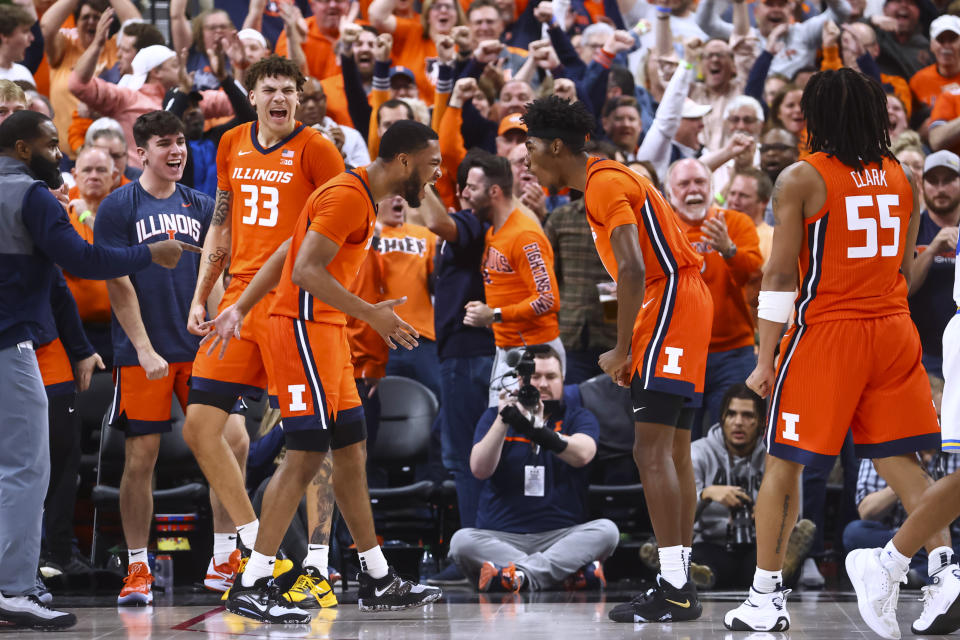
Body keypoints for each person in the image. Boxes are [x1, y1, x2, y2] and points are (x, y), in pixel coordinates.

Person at [723, 68, 948, 634]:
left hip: (830, 334)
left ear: (817, 118)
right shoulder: (901, 176)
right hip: (894, 329)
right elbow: (902, 267)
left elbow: (777, 277)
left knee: (786, 464)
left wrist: (765, 358)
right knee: (903, 462)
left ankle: (765, 596)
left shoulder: (801, 177)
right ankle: (944, 572)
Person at [201, 120, 445, 622]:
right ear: (404, 161)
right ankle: (253, 580)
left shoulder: (353, 191)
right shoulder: (348, 196)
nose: (436, 174)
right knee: (306, 458)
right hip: (303, 332)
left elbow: (286, 251)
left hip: (329, 337)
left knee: (352, 454)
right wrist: (371, 313)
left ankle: (375, 575)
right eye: (433, 164)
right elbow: (305, 270)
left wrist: (239, 306)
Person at [523, 95, 713, 623]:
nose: (529, 158)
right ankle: (678, 581)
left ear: (557, 146)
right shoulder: (606, 179)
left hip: (668, 298)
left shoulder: (605, 182)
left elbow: (630, 269)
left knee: (651, 451)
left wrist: (624, 347)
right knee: (674, 450)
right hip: (683, 299)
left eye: (532, 147)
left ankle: (674, 583)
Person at [0, 109, 184, 630]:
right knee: (26, 470)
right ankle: (14, 588)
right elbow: (82, 260)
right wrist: (151, 253)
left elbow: (57, 277)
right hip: (11, 344)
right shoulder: (30, 195)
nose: (60, 155)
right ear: (20, 148)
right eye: (51, 145)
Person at [183, 54, 345, 605]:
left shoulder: (317, 150)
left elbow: (335, 225)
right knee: (200, 426)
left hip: (294, 304)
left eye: (289, 90)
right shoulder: (231, 144)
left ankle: (319, 565)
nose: (280, 98)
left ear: (300, 98)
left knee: (311, 438)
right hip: (236, 300)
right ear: (251, 95)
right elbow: (221, 222)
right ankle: (262, 552)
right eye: (270, 89)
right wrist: (201, 292)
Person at [92, 110, 215, 605]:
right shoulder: (118, 207)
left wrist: (218, 323)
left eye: (181, 142)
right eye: (165, 143)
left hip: (200, 346)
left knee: (228, 447)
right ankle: (138, 567)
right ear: (141, 152)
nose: (177, 151)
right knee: (141, 458)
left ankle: (228, 559)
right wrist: (143, 349)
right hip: (144, 350)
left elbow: (217, 271)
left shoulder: (202, 204)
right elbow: (117, 284)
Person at [448, 347, 619, 591]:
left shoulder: (578, 416)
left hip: (562, 537)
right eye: (536, 377)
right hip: (502, 537)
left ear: (563, 380)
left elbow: (583, 454)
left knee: (607, 531)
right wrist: (503, 420)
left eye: (551, 377)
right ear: (521, 380)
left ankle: (517, 576)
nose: (543, 384)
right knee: (461, 541)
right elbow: (479, 469)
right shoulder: (493, 417)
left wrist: (537, 430)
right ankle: (562, 573)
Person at [666, 158, 762, 436]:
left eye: (699, 182)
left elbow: (754, 274)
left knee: (735, 438)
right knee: (682, 440)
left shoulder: (735, 223)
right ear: (669, 191)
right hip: (679, 355)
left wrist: (729, 250)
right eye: (684, 184)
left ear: (711, 187)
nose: (692, 190)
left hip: (733, 352)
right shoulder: (662, 227)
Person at [459, 152, 563, 407]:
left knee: (526, 434)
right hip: (508, 347)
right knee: (503, 432)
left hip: (537, 352)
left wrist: (493, 314)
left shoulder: (525, 236)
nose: (464, 194)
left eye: (472, 188)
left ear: (494, 191)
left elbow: (548, 300)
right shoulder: (494, 232)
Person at [690, 384, 766, 588]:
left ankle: (783, 568)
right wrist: (705, 495)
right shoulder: (698, 453)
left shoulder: (775, 458)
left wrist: (770, 515)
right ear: (722, 418)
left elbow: (797, 514)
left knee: (769, 561)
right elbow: (679, 518)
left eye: (748, 415)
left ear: (761, 422)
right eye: (731, 414)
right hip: (712, 544)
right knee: (702, 558)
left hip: (759, 546)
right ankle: (694, 574)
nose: (738, 422)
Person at [908, 150, 960, 379]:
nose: (940, 189)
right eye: (933, 180)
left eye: (948, 180)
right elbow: (903, 288)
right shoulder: (912, 230)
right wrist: (930, 251)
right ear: (922, 184)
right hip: (922, 356)